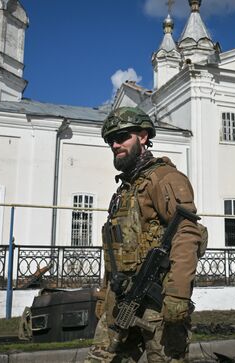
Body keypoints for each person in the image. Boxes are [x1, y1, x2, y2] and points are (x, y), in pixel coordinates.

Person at [85, 106, 203, 362]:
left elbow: (187, 233)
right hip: (120, 301)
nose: (115, 144)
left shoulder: (165, 178)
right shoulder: (125, 189)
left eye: (122, 137)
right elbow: (115, 249)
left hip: (157, 304)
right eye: (111, 141)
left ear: (143, 136)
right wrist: (105, 296)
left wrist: (178, 294)